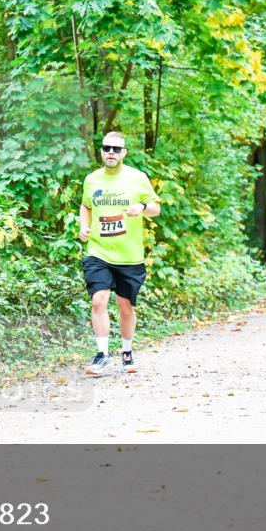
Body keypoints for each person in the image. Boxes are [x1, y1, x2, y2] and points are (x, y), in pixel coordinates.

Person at [79, 132, 160, 376]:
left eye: (116, 149)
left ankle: (126, 351)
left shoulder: (137, 178)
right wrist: (84, 226)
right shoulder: (92, 180)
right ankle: (103, 354)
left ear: (124, 153)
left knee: (125, 307)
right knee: (98, 300)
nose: (111, 152)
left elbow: (156, 208)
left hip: (130, 256)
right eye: (107, 148)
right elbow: (86, 205)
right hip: (98, 251)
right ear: (101, 151)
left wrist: (142, 207)